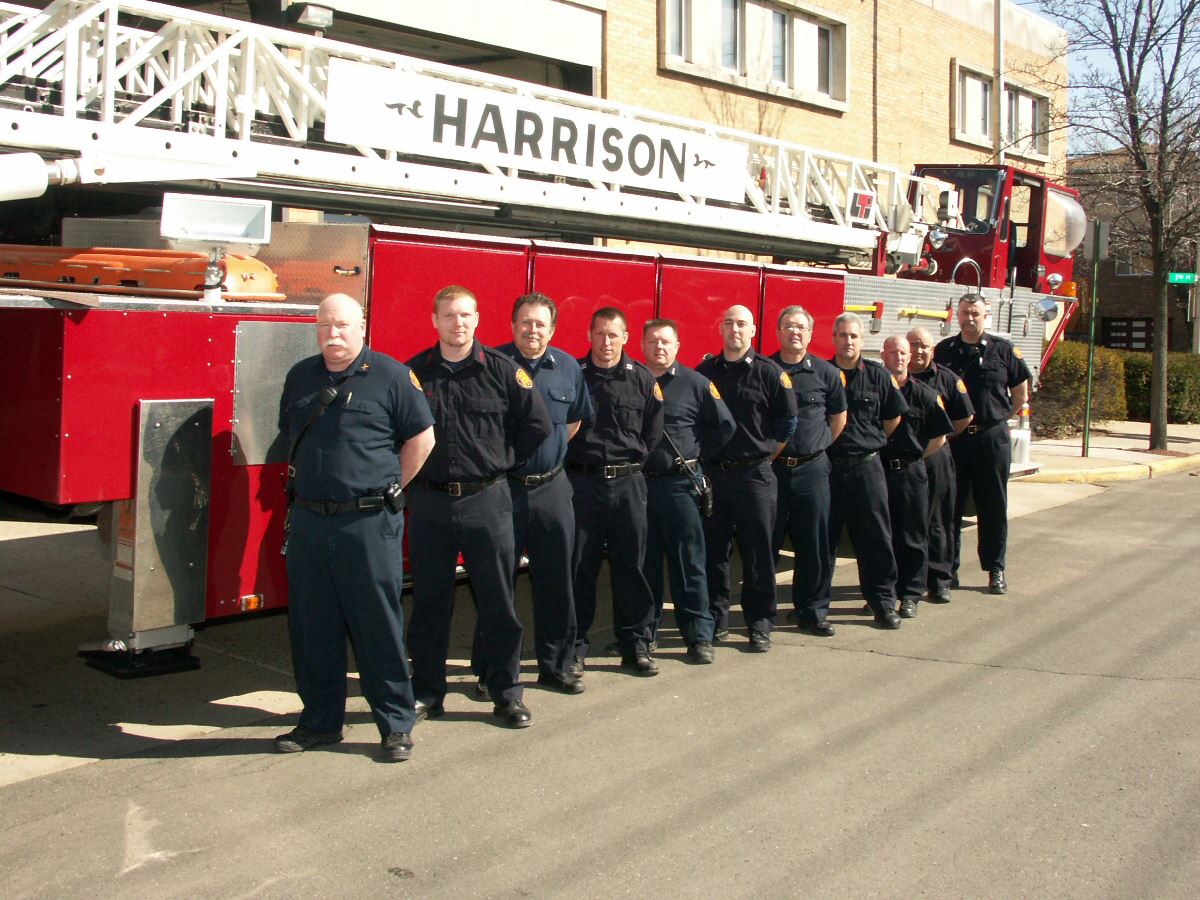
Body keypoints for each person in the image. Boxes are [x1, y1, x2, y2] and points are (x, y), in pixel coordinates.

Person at [275, 293, 435, 763]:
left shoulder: (390, 375)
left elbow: (422, 438)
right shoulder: (300, 376)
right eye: (325, 325)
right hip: (309, 520)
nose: (333, 334)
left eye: (342, 325)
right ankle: (320, 722)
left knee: (377, 626)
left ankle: (395, 723)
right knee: (312, 627)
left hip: (368, 522)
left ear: (362, 326)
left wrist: (390, 490)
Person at [406, 285, 552, 729]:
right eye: (449, 315)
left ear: (477, 319)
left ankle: (506, 693)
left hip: (488, 501)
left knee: (498, 602)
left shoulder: (504, 371)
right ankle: (428, 692)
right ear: (435, 321)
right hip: (430, 503)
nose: (458, 324)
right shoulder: (414, 374)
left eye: (466, 315)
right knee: (430, 603)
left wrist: (500, 463)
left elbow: (538, 426)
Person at [483, 292, 593, 695]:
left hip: (551, 489)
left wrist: (547, 456)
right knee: (497, 585)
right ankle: (493, 669)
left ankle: (556, 665)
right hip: (501, 491)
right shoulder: (492, 365)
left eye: (540, 324)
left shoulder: (567, 367)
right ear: (513, 325)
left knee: (556, 580)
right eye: (525, 322)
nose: (533, 330)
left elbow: (575, 420)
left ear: (553, 328)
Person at [568, 308, 664, 676]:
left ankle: (635, 644)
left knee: (632, 566)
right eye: (600, 334)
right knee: (580, 566)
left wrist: (631, 463)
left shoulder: (641, 378)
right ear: (589, 335)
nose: (606, 343)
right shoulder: (574, 375)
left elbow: (652, 432)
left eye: (613, 335)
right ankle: (575, 645)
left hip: (628, 483)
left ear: (625, 337)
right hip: (582, 483)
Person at [696, 305, 797, 652]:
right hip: (714, 475)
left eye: (741, 324)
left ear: (753, 330)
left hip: (755, 474)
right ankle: (715, 619)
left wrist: (767, 455)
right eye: (729, 323)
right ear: (720, 329)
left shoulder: (770, 373)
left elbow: (787, 423)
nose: (735, 329)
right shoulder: (705, 371)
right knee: (714, 552)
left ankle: (759, 622)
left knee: (759, 553)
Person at [641, 319, 736, 664]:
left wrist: (696, 456)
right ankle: (643, 636)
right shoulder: (632, 380)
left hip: (680, 485)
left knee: (689, 564)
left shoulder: (697, 384)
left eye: (666, 342)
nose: (659, 348)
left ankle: (698, 636)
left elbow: (724, 427)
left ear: (677, 347)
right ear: (641, 345)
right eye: (652, 342)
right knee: (644, 564)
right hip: (639, 486)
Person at [934, 293, 1031, 595]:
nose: (969, 318)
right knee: (951, 505)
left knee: (993, 505)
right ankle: (948, 571)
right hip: (956, 439)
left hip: (991, 437)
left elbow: (1020, 395)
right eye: (964, 313)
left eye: (975, 313)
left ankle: (995, 569)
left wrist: (998, 418)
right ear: (957, 316)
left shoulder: (1003, 351)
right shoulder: (945, 351)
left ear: (986, 316)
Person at [824, 312, 909, 629]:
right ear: (834, 338)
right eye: (843, 335)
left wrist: (870, 444)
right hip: (829, 469)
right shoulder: (822, 373)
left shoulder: (877, 376)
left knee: (875, 539)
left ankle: (883, 603)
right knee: (822, 539)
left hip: (866, 468)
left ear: (862, 340)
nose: (848, 341)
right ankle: (815, 606)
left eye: (854, 336)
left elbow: (893, 418)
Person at [770, 305, 847, 637]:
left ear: (811, 334)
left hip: (812, 471)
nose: (795, 332)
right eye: (788, 326)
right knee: (764, 543)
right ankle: (761, 612)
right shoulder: (767, 370)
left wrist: (818, 445)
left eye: (801, 327)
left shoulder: (826, 373)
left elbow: (838, 418)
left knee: (813, 544)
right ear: (778, 332)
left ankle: (812, 610)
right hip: (771, 472)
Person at [879, 335, 954, 618]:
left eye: (902, 353)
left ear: (908, 357)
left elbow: (940, 436)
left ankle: (910, 594)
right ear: (883, 356)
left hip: (911, 473)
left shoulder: (924, 393)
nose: (898, 357)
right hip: (880, 471)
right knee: (882, 536)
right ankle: (883, 593)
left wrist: (916, 458)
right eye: (892, 352)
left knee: (913, 536)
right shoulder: (876, 389)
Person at [907, 326, 974, 603]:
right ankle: (910, 579)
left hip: (936, 458)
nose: (918, 351)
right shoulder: (893, 379)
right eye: (913, 345)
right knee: (908, 522)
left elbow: (964, 418)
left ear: (932, 350)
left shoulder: (947, 379)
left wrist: (938, 439)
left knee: (938, 521)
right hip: (906, 461)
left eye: (923, 346)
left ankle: (940, 579)